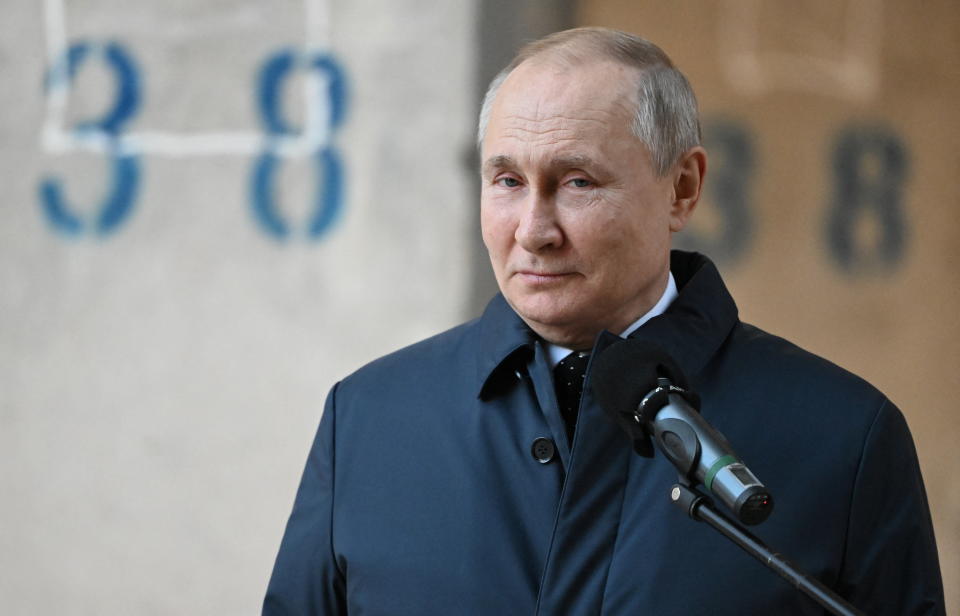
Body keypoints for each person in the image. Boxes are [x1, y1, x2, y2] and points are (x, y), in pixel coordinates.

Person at [263, 27, 944, 615]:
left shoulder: (844, 436)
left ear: (683, 188)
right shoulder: (370, 420)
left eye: (577, 182)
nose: (533, 231)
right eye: (506, 181)